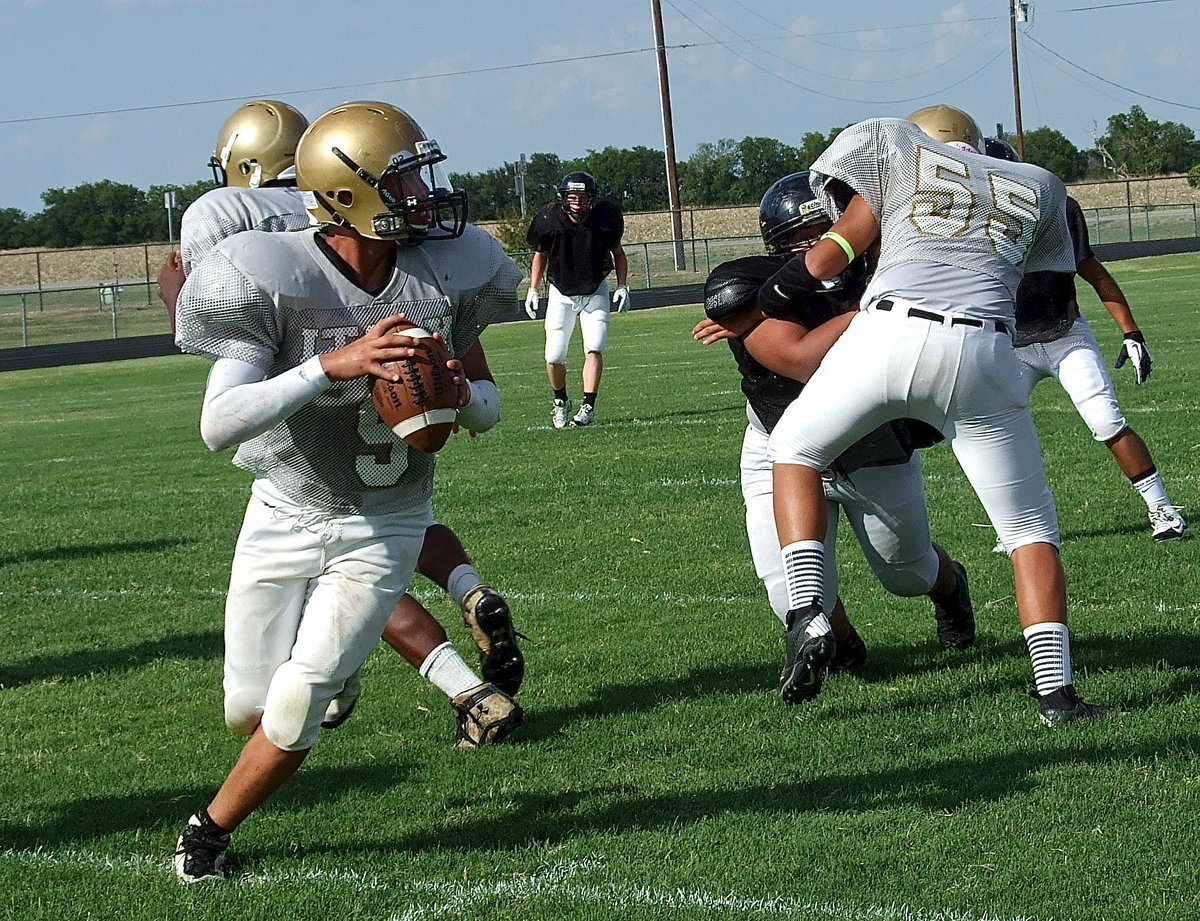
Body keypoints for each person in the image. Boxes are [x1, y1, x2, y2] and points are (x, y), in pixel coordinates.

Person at [170, 101, 524, 883]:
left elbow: (492, 411)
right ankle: (342, 668)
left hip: (387, 521)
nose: (428, 194)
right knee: (247, 708)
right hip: (287, 507)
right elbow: (218, 424)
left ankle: (208, 832)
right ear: (348, 193)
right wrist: (330, 364)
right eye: (406, 181)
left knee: (299, 698)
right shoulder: (273, 271)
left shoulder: (443, 271)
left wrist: (460, 392)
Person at [759, 104, 1107, 726]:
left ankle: (809, 610)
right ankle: (1055, 692)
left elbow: (830, 254)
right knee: (1029, 528)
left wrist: (779, 289)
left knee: (793, 449)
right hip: (987, 350)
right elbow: (1038, 273)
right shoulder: (1040, 183)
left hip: (888, 332)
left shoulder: (896, 153)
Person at [692, 172, 975, 699]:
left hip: (872, 447)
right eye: (800, 239)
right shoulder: (754, 291)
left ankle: (950, 585)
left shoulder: (890, 273)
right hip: (779, 446)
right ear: (776, 246)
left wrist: (883, 300)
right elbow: (800, 360)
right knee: (788, 588)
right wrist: (877, 311)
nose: (816, 250)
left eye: (826, 231)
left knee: (905, 574)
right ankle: (842, 643)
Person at [984, 137, 1189, 543]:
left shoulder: (1056, 206)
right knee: (992, 435)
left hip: (1063, 332)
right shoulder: (964, 220)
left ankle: (1161, 509)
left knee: (1106, 420)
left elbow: (1092, 271)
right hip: (1008, 342)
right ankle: (1016, 529)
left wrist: (1130, 331)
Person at [524, 171, 629, 428]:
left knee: (595, 346)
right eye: (573, 197)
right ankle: (561, 401)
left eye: (583, 198)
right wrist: (533, 289)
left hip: (595, 291)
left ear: (592, 199)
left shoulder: (605, 217)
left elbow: (619, 253)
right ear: (564, 198)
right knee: (554, 355)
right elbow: (540, 254)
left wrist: (623, 285)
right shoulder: (549, 218)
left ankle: (588, 406)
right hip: (561, 292)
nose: (578, 203)